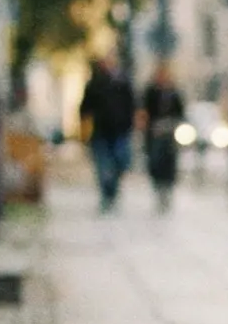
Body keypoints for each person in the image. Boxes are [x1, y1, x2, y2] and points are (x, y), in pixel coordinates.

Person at [79, 56, 138, 213]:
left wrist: (131, 124)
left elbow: (132, 105)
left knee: (121, 162)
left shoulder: (123, 83)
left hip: (120, 131)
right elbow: (84, 108)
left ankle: (113, 189)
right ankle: (106, 193)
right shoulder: (94, 84)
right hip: (100, 132)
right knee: (103, 166)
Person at [140, 63, 186, 214]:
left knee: (170, 163)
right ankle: (158, 188)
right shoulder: (151, 92)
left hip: (170, 134)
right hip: (154, 134)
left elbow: (181, 113)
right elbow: (144, 112)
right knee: (155, 162)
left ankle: (167, 189)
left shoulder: (174, 93)